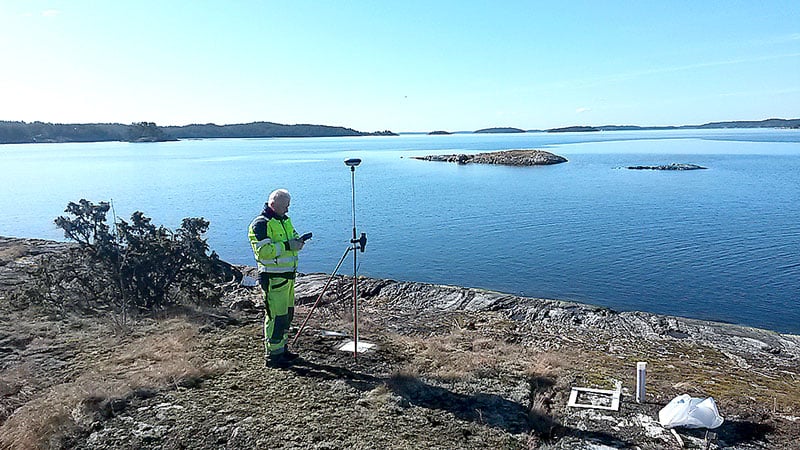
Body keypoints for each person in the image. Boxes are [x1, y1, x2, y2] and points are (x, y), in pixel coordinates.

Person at [248, 189, 305, 368]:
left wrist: (298, 242)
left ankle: (281, 349)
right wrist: (288, 246)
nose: (287, 210)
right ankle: (273, 356)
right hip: (273, 278)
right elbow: (264, 252)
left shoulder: (284, 220)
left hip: (288, 278)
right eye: (285, 206)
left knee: (286, 316)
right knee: (275, 317)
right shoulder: (260, 224)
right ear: (274, 205)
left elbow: (292, 237)